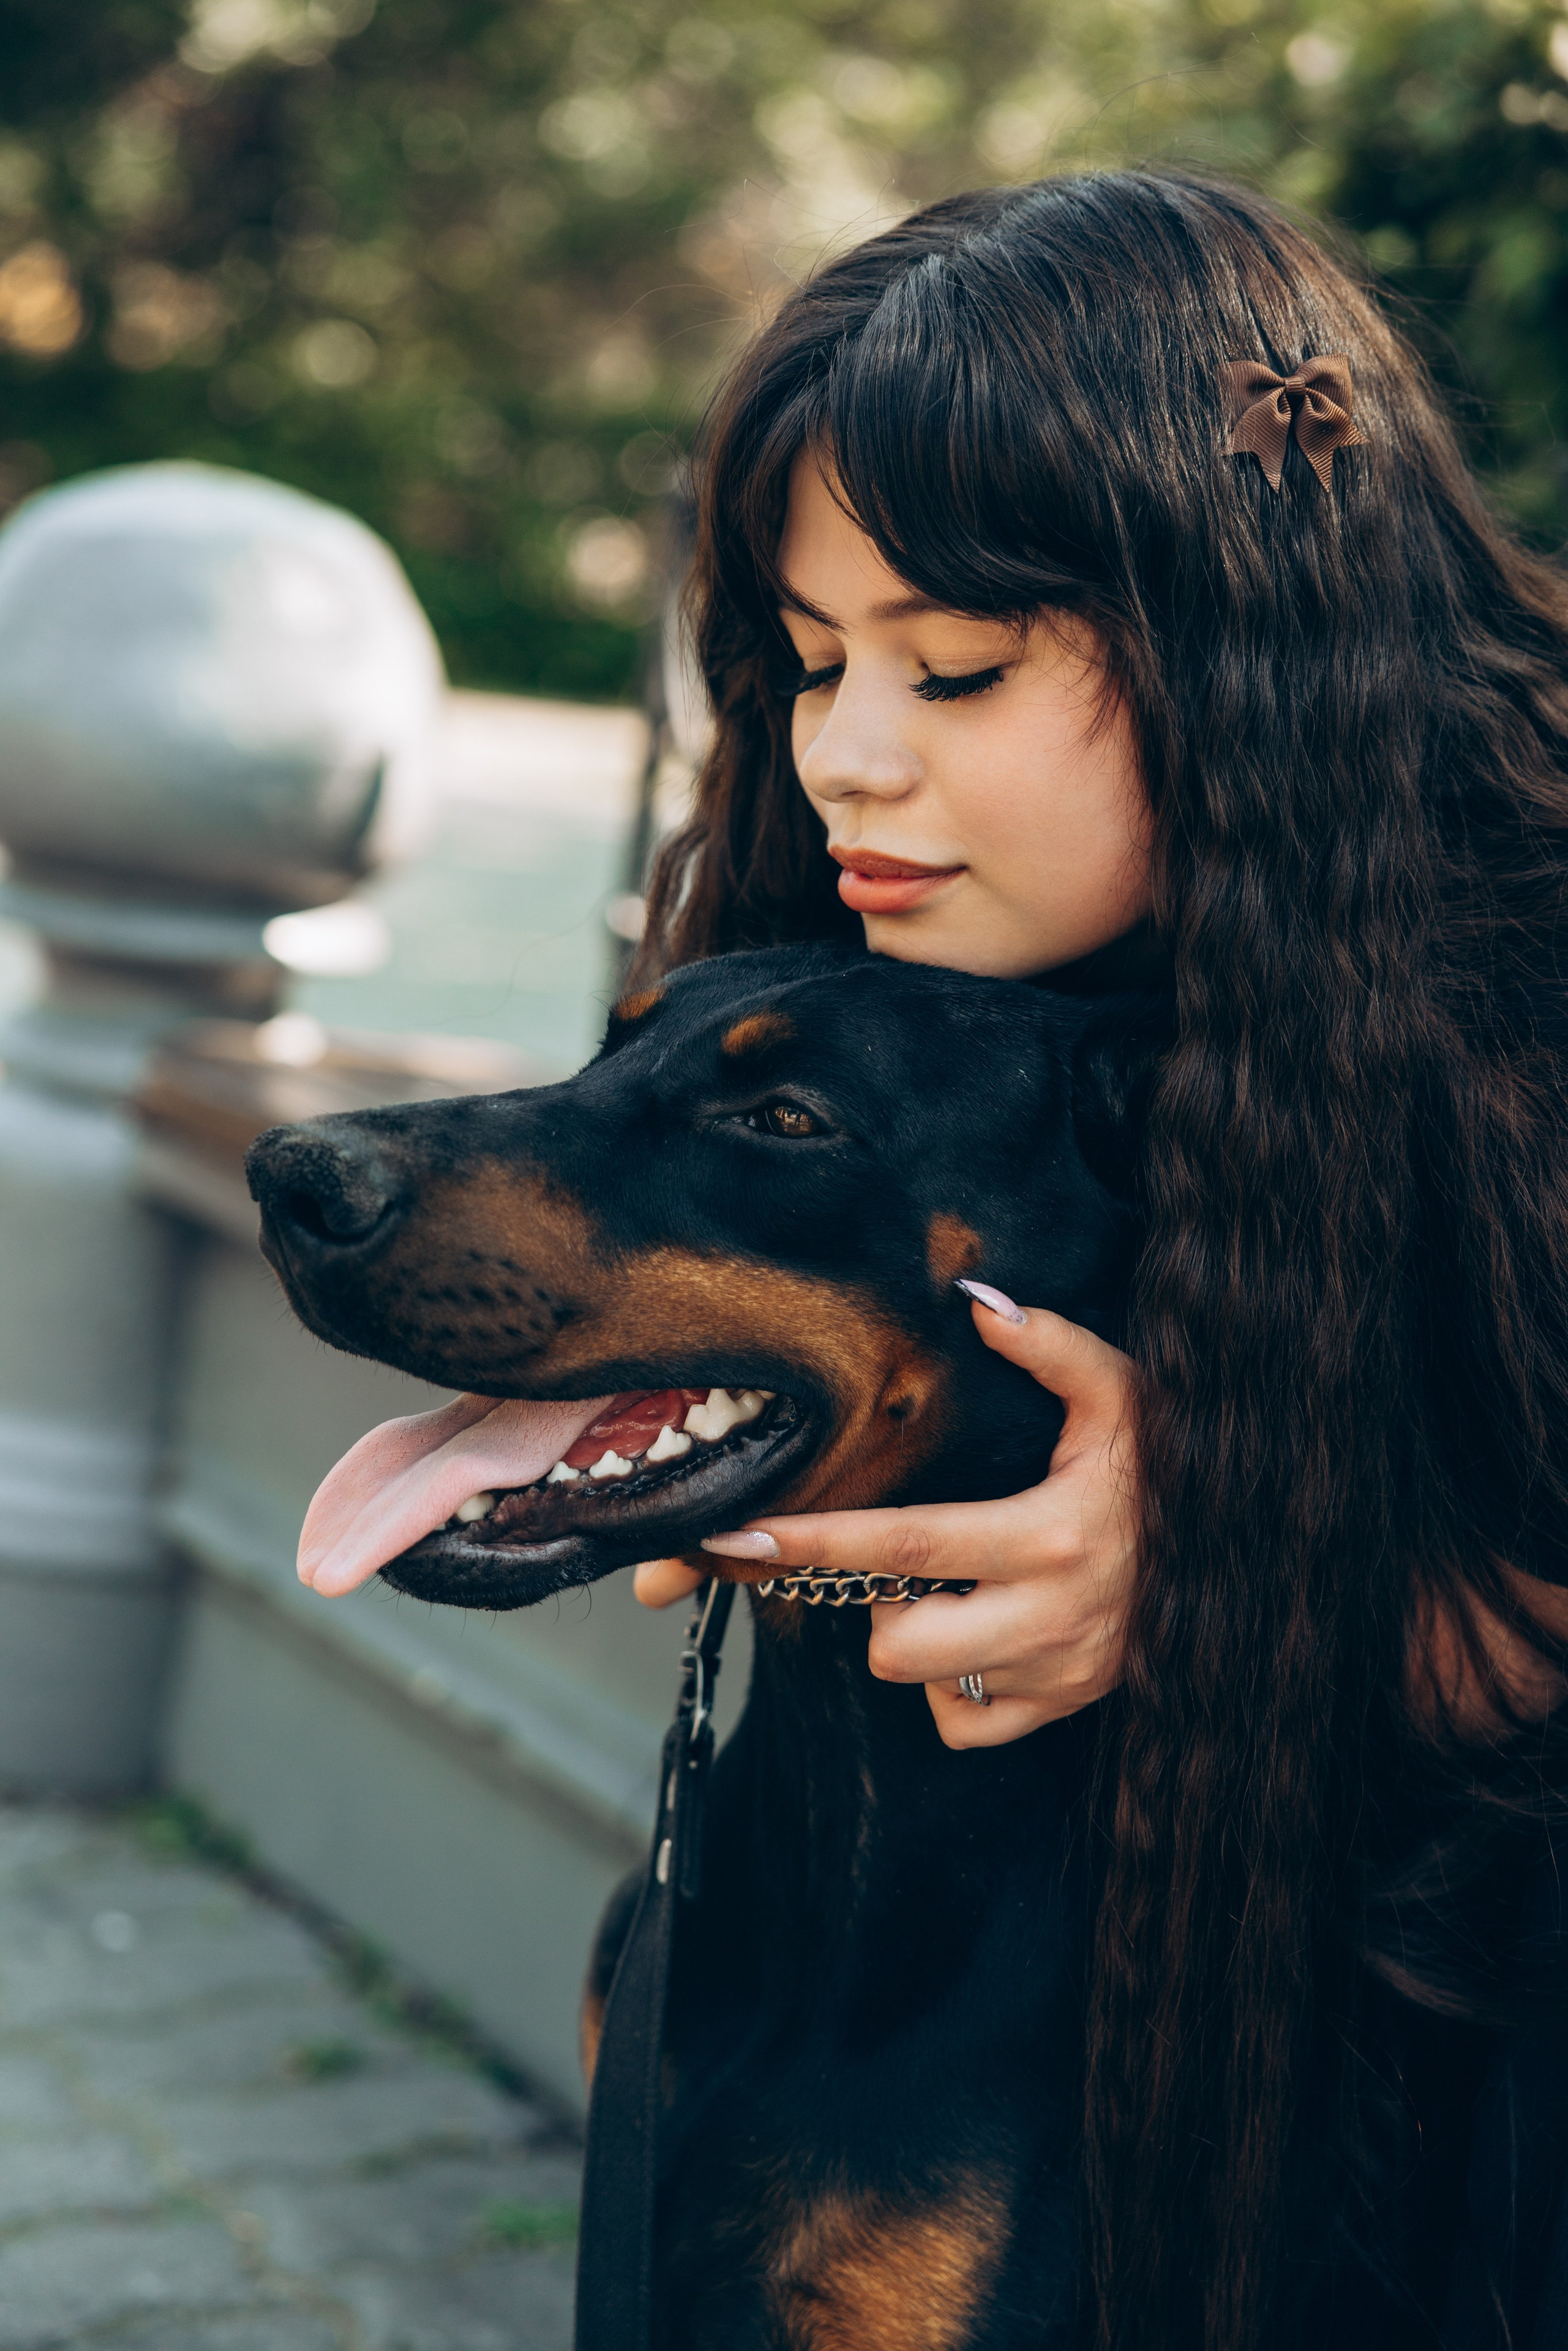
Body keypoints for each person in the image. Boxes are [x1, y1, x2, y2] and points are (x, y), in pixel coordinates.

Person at [626, 172, 1568, 2347]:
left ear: (1243, 631)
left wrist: (1254, 1551)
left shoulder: (1518, 986)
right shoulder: (843, 931)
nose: (850, 754)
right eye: (809, 659)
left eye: (954, 665)